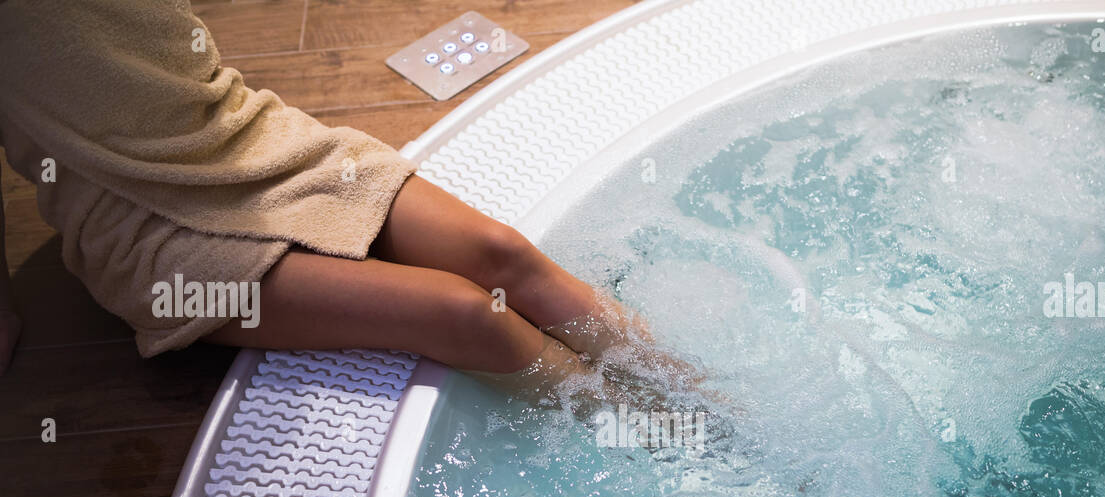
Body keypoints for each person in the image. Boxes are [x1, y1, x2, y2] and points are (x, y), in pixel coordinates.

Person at [0, 0, 682, 399]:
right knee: (467, 315)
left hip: (242, 135)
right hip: (141, 219)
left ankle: (714, 412)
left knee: (504, 257)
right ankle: (666, 457)